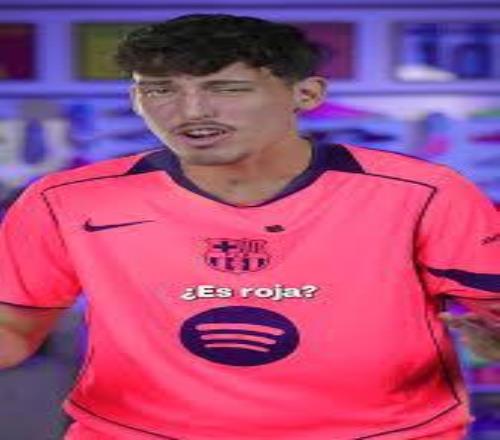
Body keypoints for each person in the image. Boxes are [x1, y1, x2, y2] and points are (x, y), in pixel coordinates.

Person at [0, 13, 499, 440]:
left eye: (226, 88)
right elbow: (15, 329)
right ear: (136, 99)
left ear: (306, 93)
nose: (191, 110)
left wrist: (493, 343)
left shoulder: (423, 193)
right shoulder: (65, 199)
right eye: (159, 90)